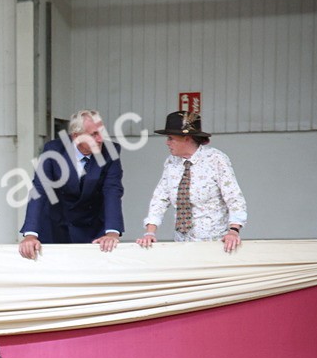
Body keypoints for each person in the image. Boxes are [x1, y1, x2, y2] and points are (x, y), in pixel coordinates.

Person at [19, 109, 125, 260]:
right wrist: (30, 234)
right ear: (76, 136)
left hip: (92, 229)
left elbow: (112, 191)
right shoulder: (53, 150)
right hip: (56, 226)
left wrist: (112, 233)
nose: (101, 139)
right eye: (94, 134)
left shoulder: (111, 151)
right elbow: (40, 189)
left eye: (101, 132)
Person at [136, 111, 246, 253]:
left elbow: (234, 197)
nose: (167, 142)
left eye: (171, 138)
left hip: (214, 243)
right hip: (182, 243)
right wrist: (150, 232)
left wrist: (233, 231)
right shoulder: (171, 162)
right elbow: (160, 198)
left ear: (186, 138)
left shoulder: (216, 159)